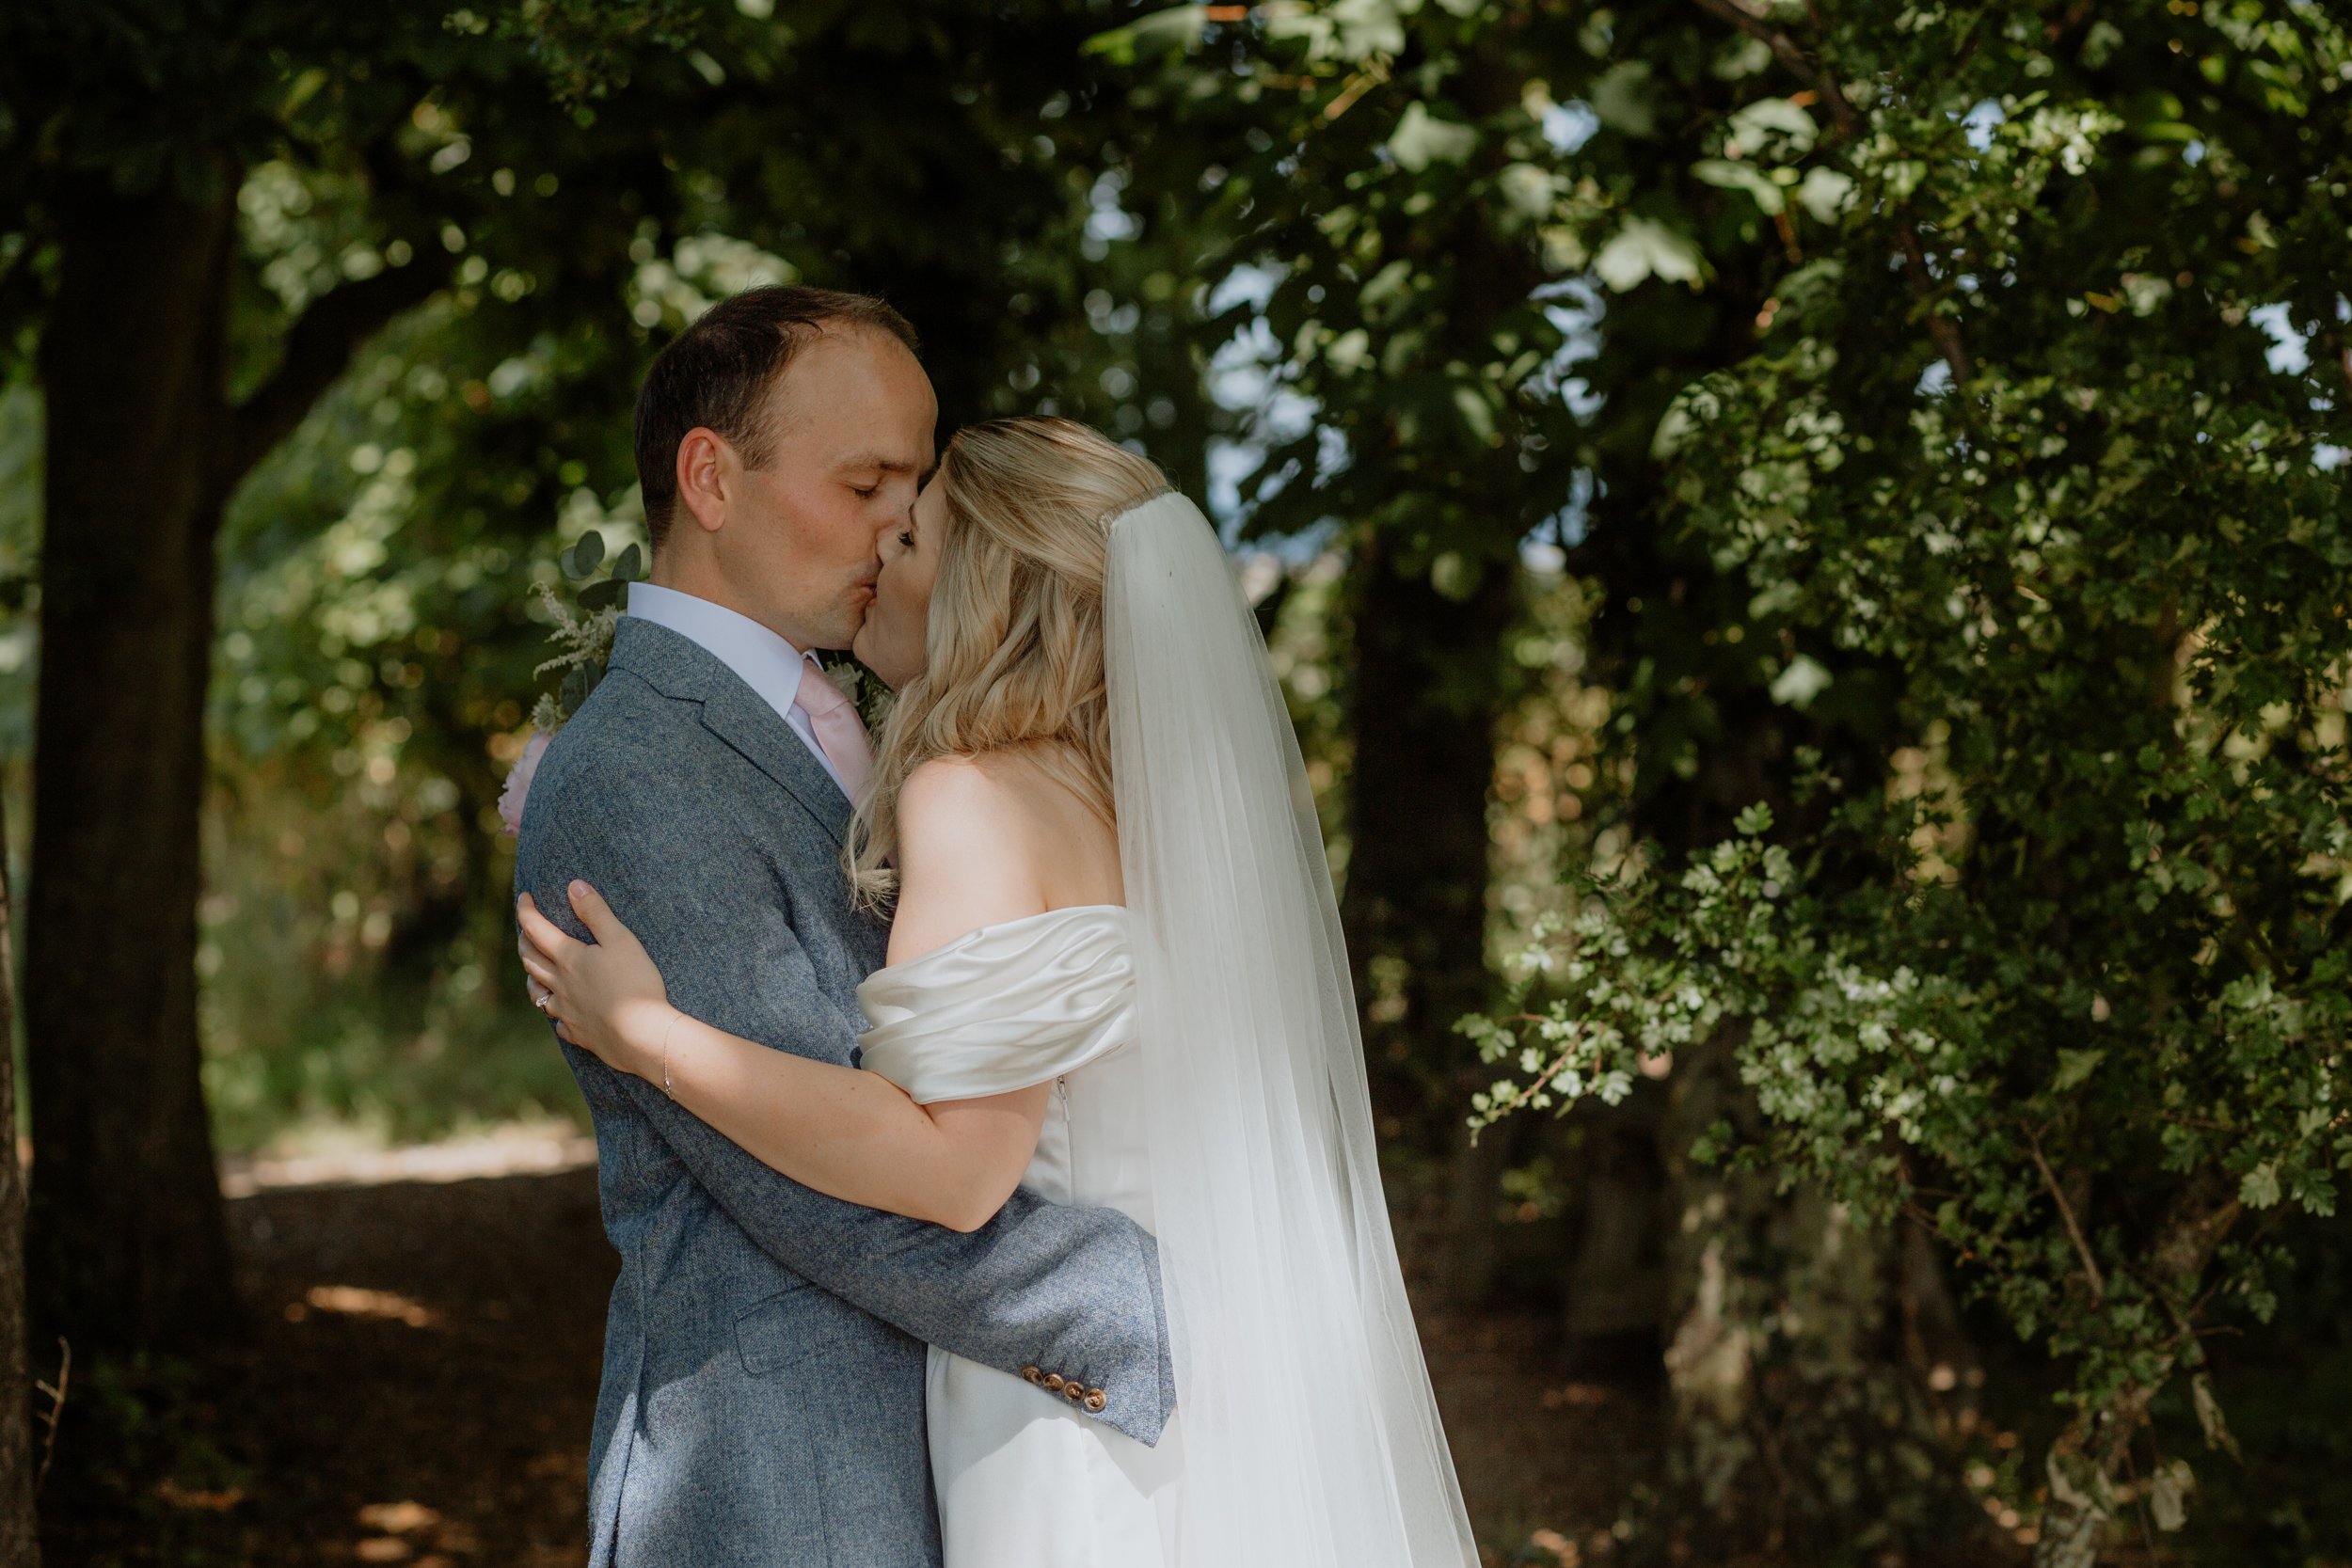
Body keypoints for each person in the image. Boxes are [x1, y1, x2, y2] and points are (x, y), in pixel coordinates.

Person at [521, 412, 1480, 1567]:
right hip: (1198, 1393)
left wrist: (652, 1034)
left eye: (913, 535)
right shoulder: (1128, 795)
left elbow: (955, 1169)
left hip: (1065, 1424)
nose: (881, 551)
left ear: (985, 590)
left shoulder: (971, 793)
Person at [507, 288, 1175, 1568]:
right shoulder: (632, 769)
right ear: (710, 477)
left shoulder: (903, 724)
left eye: (912, 489)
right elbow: (828, 1199)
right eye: (866, 480)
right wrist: (1132, 1307)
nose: (902, 524)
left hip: (940, 1449)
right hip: (787, 1473)